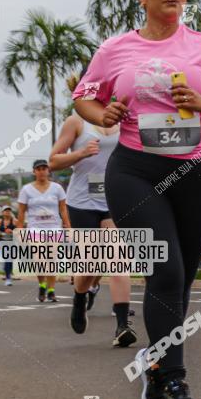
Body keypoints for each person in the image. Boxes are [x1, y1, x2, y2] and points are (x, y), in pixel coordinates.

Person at [72, 0, 201, 399]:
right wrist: (103, 114)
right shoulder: (115, 50)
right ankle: (174, 381)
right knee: (166, 270)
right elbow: (86, 99)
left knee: (180, 279)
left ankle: (154, 365)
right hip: (135, 171)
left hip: (195, 172)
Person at [49, 104, 136, 348]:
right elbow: (53, 161)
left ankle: (122, 326)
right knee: (91, 263)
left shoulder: (123, 119)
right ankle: (79, 297)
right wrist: (80, 154)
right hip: (82, 202)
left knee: (118, 258)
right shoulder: (76, 122)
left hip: (114, 198)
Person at [16, 159, 70, 302]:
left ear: (48, 171)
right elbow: (21, 212)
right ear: (34, 172)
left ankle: (51, 290)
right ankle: (42, 285)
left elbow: (63, 209)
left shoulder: (57, 188)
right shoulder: (26, 189)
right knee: (39, 259)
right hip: (35, 229)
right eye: (38, 169)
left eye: (44, 168)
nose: (41, 171)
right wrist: (20, 230)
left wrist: (68, 226)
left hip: (53, 228)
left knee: (51, 259)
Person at [0, 206, 16, 286]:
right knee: (7, 260)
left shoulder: (15, 221)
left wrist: (12, 231)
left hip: (12, 243)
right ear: (2, 212)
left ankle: (9, 275)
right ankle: (8, 277)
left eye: (9, 210)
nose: (7, 212)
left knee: (10, 260)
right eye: (6, 211)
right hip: (2, 243)